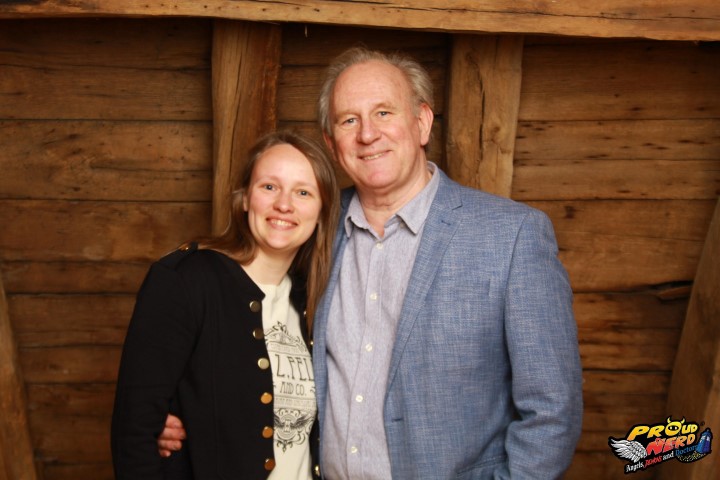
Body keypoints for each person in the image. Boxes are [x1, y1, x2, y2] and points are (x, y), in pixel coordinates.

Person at [160, 46, 584, 479]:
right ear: (331, 142)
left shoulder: (511, 236)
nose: (367, 135)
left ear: (421, 122)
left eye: (384, 113)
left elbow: (553, 410)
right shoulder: (311, 230)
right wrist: (179, 412)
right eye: (349, 120)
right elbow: (245, 337)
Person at [111, 130, 339, 479]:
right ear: (245, 198)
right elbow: (134, 431)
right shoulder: (186, 280)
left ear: (322, 212)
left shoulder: (316, 299)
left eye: (303, 192)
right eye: (269, 187)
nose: (284, 205)